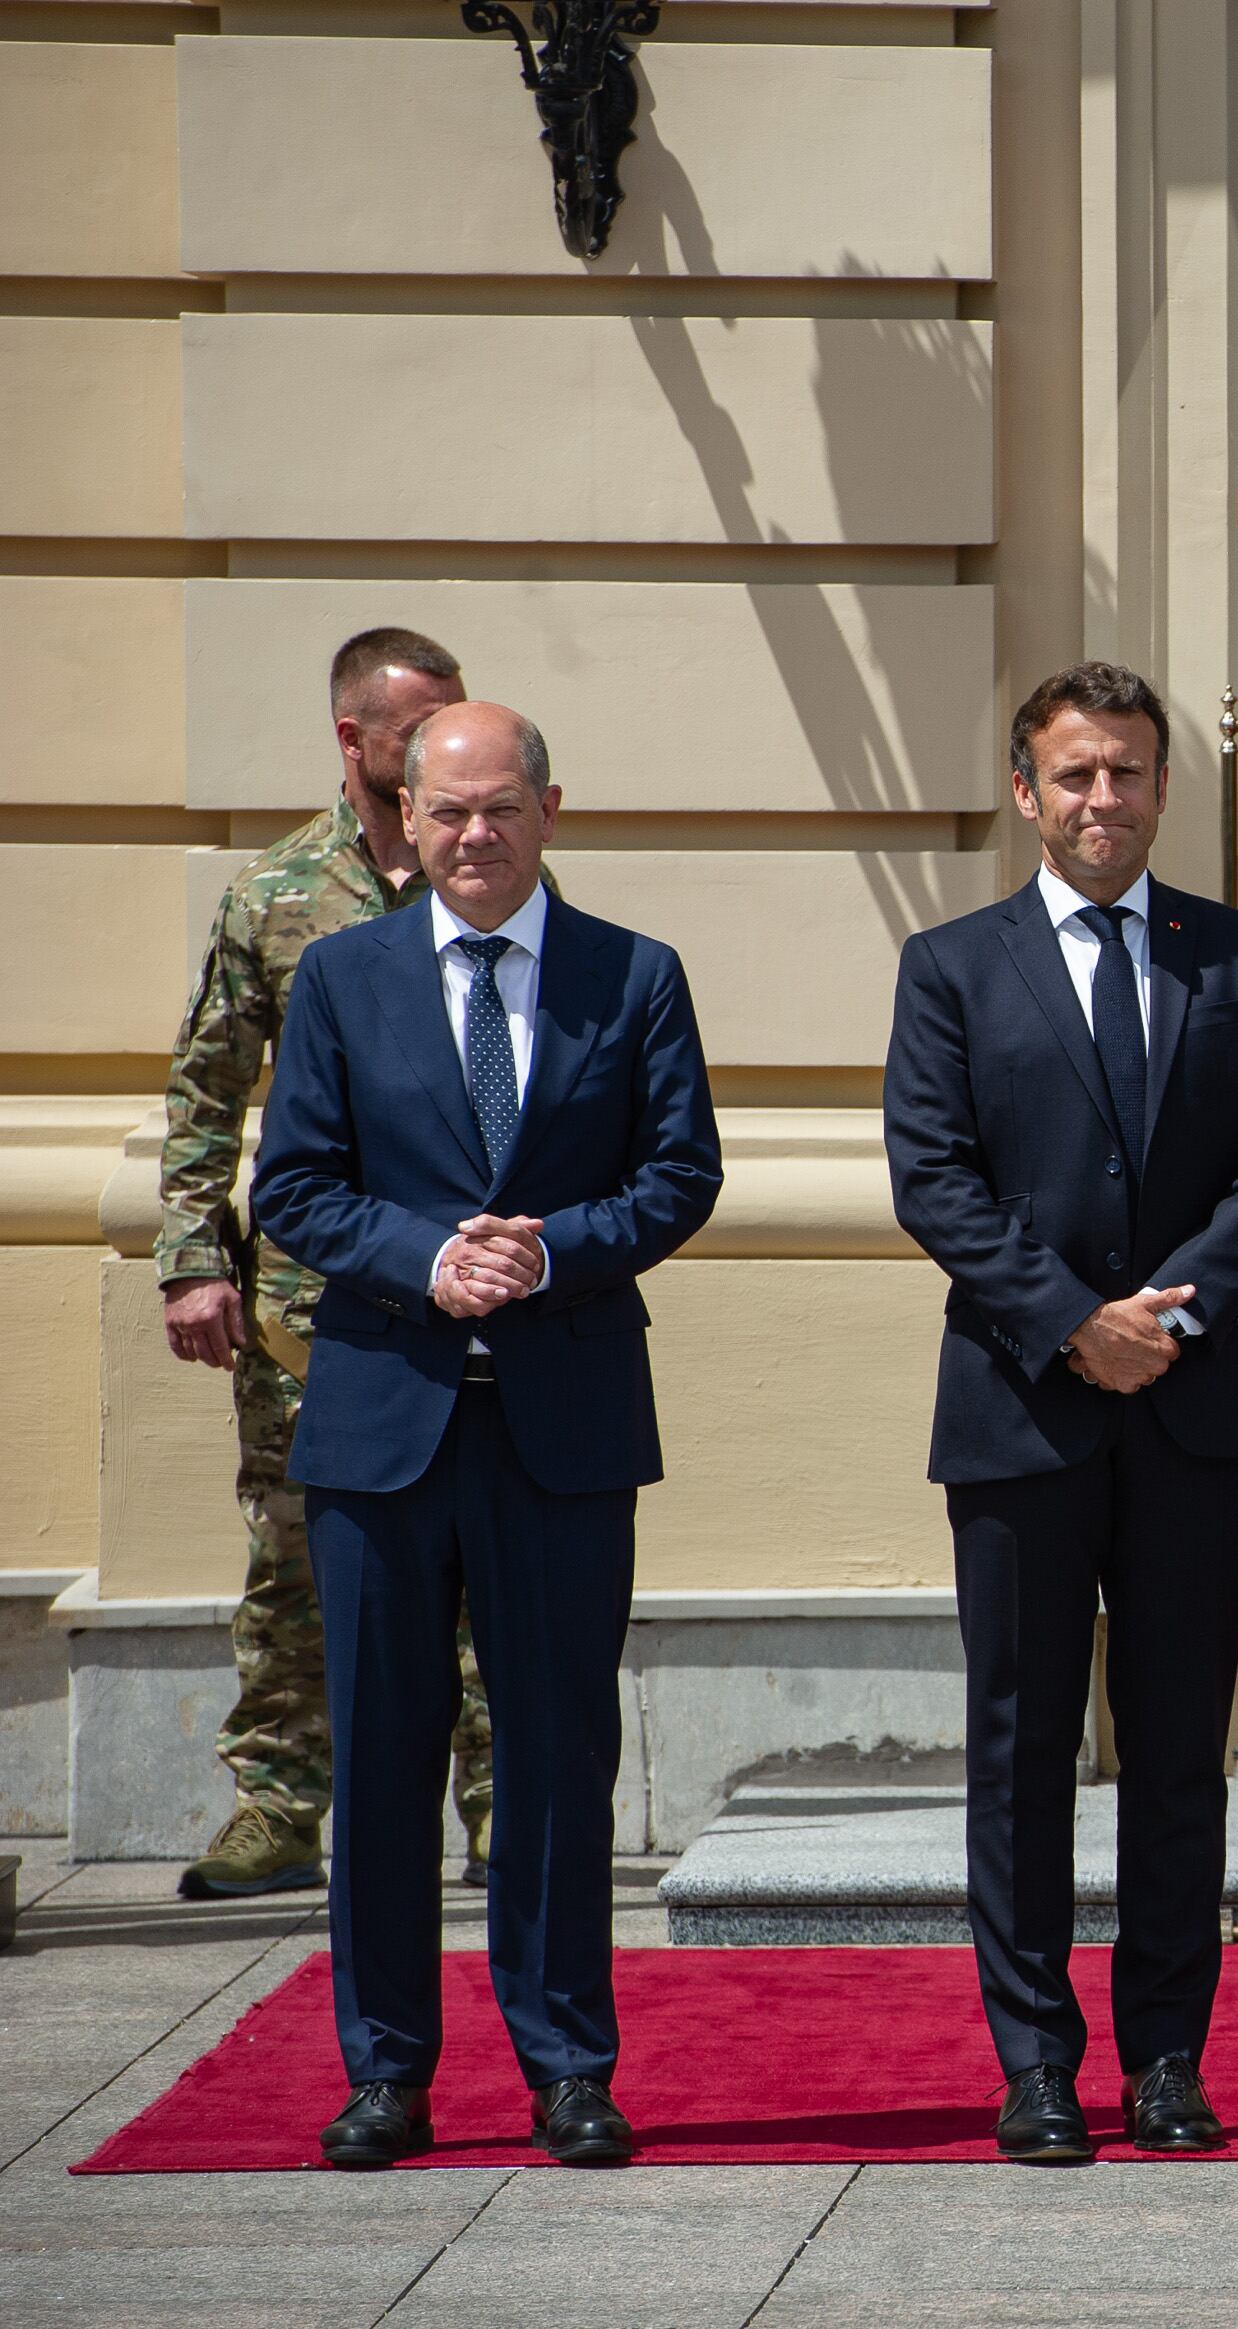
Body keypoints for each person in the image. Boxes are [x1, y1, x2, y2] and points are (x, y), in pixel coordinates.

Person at [256, 702, 721, 2169]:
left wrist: (552, 1247)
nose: (471, 835)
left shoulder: (632, 975)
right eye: (443, 810)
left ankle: (569, 2063)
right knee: (383, 1762)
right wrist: (422, 1255)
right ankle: (386, 2070)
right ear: (404, 812)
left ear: (549, 808)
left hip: (561, 1429)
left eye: (499, 807)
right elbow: (294, 1187)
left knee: (557, 1759)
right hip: (382, 1424)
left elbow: (682, 1170)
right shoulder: (341, 977)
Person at [883, 661, 1238, 2164]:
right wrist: (1075, 1322)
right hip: (1021, 1412)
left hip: (1191, 1414)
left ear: (1158, 789)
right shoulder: (952, 966)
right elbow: (932, 1177)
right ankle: (1032, 2064)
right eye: (1074, 775)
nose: (1102, 800)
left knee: (1179, 1746)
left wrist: (1167, 1318)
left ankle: (1168, 2060)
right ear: (1027, 791)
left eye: (1128, 773)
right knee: (1019, 1749)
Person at [158, 627, 498, 1900]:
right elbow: (204, 1093)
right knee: (292, 1558)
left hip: (472, 1294)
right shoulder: (277, 893)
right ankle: (281, 1802)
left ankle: (493, 1797)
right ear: (353, 740)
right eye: (415, 733)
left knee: (485, 1553)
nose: (441, 757)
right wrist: (195, 1260)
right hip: (314, 1309)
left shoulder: (490, 874)